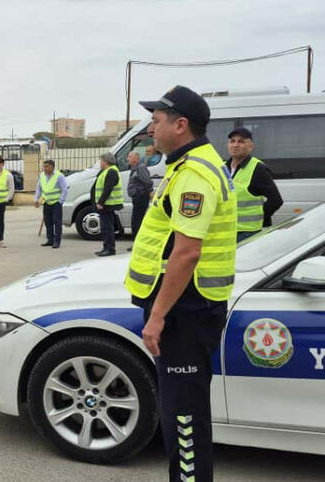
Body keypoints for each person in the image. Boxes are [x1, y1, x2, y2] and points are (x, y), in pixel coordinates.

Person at [127, 85, 237, 482]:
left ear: (181, 125)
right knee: (181, 412)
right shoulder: (185, 165)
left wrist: (156, 316)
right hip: (184, 309)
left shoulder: (195, 174)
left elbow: (187, 253)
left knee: (184, 419)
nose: (150, 130)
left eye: (156, 122)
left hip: (185, 313)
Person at [226, 127, 283, 242]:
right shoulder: (222, 167)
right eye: (232, 141)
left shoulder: (258, 168)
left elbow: (276, 200)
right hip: (227, 231)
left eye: (241, 141)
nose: (235, 145)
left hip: (248, 233)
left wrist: (259, 218)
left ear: (250, 146)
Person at [91, 152, 123, 256]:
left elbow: (108, 189)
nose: (100, 163)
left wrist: (100, 202)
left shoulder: (111, 171)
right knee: (105, 227)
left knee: (108, 228)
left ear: (106, 161)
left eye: (101, 161)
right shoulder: (107, 171)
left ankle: (110, 249)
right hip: (106, 204)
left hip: (108, 204)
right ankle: (106, 247)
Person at [34, 159, 68, 248]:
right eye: (44, 166)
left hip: (56, 203)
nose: (44, 168)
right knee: (48, 222)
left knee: (57, 223)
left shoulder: (59, 176)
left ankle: (57, 241)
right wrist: (36, 199)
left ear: (52, 167)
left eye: (47, 166)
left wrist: (61, 201)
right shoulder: (42, 176)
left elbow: (64, 189)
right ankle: (50, 240)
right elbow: (39, 188)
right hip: (46, 202)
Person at [126, 150, 152, 249]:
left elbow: (147, 181)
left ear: (136, 158)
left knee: (137, 222)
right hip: (137, 198)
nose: (128, 158)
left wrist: (150, 191)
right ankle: (137, 243)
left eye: (129, 156)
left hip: (141, 198)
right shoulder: (135, 168)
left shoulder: (141, 168)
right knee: (136, 222)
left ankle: (138, 244)